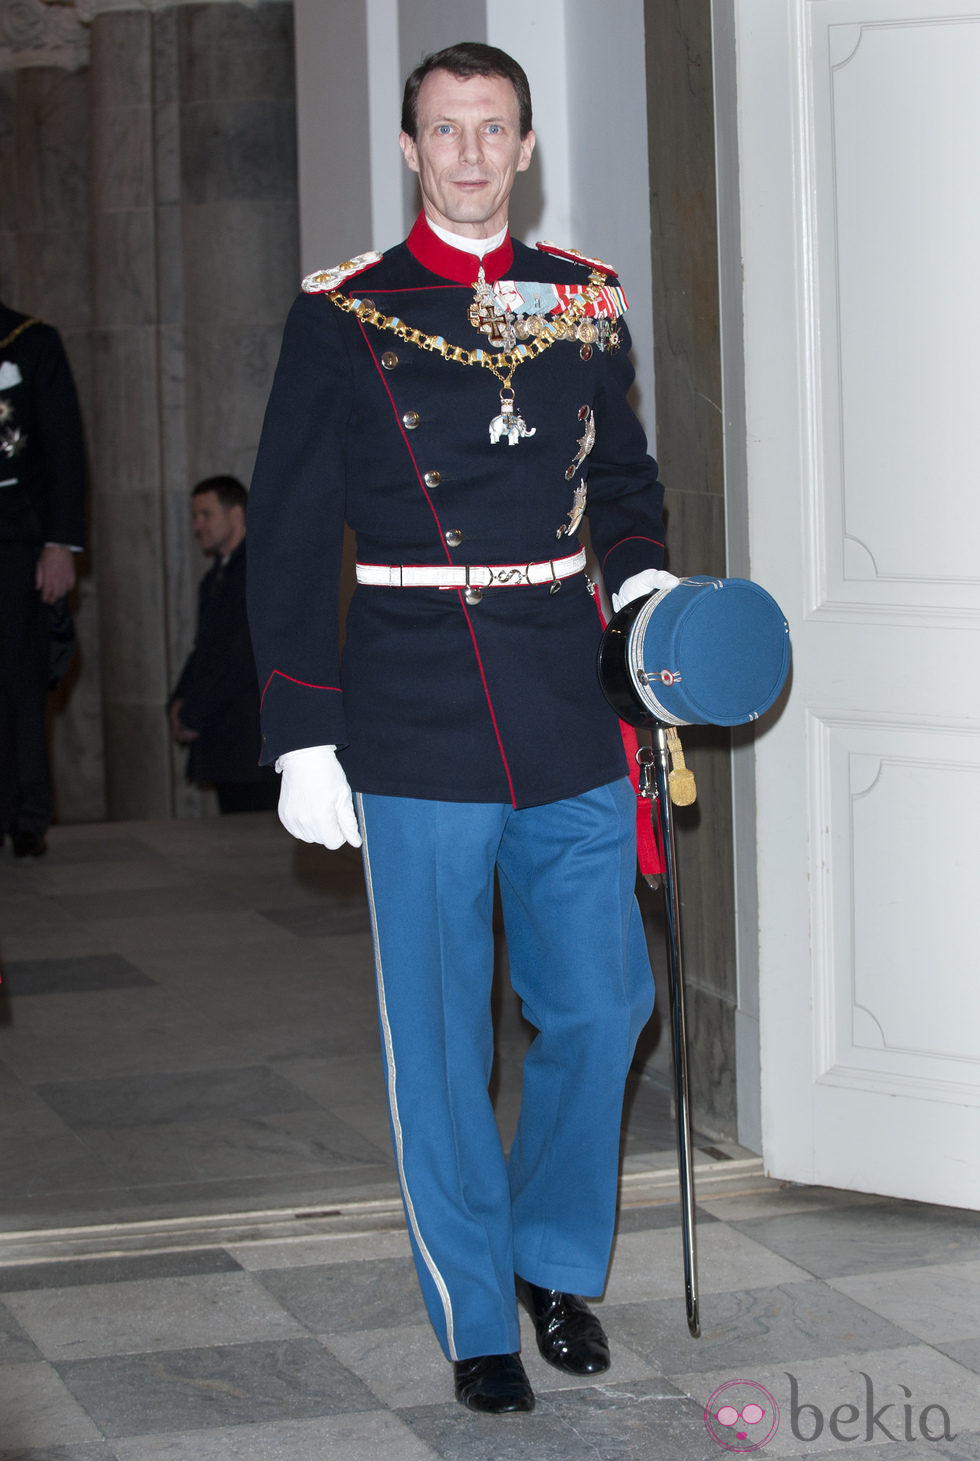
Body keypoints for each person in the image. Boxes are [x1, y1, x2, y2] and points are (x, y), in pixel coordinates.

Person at [247, 43, 674, 1414]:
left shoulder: (586, 303)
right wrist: (304, 726)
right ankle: (477, 1310)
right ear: (411, 148)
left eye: (495, 128)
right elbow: (295, 524)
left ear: (528, 144)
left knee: (606, 1002)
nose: (473, 153)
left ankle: (553, 1259)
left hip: (562, 689)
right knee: (438, 1034)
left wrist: (650, 580)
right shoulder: (347, 313)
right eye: (447, 129)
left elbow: (625, 477)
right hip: (416, 699)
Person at [0, 300, 86, 860]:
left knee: (18, 679)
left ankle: (26, 816)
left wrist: (61, 544)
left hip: (16, 539)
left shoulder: (31, 340)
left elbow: (64, 447)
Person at [168, 476, 277, 814]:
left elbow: (240, 657)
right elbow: (204, 650)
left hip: (249, 738)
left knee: (253, 841)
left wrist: (192, 712)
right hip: (225, 735)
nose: (197, 525)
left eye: (206, 514)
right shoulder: (217, 576)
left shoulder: (257, 572)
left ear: (236, 514)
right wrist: (178, 701)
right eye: (195, 516)